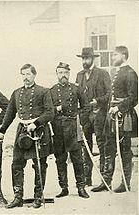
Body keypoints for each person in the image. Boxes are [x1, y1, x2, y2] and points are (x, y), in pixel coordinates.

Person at [0, 64, 54, 209]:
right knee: (16, 163)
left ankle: (38, 197)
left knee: (39, 164)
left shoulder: (44, 92)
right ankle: (18, 197)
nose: (25, 78)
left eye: (28, 74)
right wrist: (2, 130)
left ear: (34, 75)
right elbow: (10, 113)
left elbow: (50, 112)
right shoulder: (16, 93)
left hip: (39, 131)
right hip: (22, 131)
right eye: (23, 74)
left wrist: (37, 122)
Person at [50, 62, 90, 199]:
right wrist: (56, 109)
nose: (63, 75)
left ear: (69, 74)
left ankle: (81, 187)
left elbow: (86, 106)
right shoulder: (52, 91)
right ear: (57, 74)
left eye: (65, 73)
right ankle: (64, 187)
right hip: (58, 128)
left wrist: (80, 120)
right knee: (60, 158)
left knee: (77, 158)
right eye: (60, 73)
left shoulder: (76, 89)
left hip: (73, 127)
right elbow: (48, 110)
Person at [76, 47, 112, 191]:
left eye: (87, 58)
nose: (85, 61)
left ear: (93, 59)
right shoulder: (79, 75)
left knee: (102, 145)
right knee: (85, 146)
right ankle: (87, 178)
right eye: (83, 58)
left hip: (99, 115)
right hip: (85, 115)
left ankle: (104, 180)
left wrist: (98, 101)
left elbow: (109, 94)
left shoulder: (102, 74)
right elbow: (76, 95)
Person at [105, 46, 138, 192]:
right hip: (113, 115)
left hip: (124, 116)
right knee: (110, 147)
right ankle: (107, 181)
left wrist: (119, 108)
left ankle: (126, 183)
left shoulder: (130, 73)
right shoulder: (117, 72)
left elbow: (134, 98)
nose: (113, 58)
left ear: (124, 55)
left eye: (115, 55)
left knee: (124, 149)